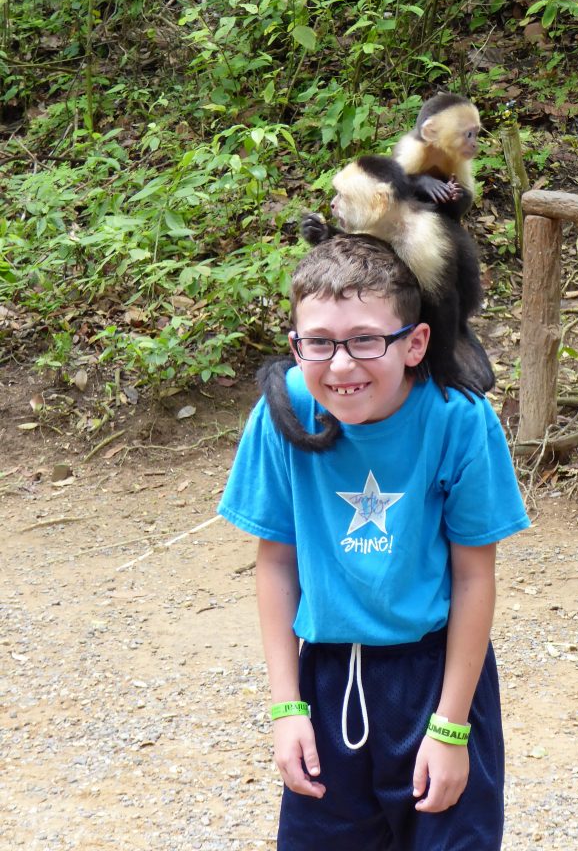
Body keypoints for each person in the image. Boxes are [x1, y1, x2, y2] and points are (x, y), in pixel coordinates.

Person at [218, 233, 529, 850]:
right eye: (319, 343)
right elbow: (276, 564)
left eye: (365, 340)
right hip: (328, 679)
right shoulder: (284, 414)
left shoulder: (459, 419)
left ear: (415, 343)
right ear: (294, 346)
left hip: (437, 678)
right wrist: (287, 712)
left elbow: (473, 576)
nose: (340, 365)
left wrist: (451, 729)